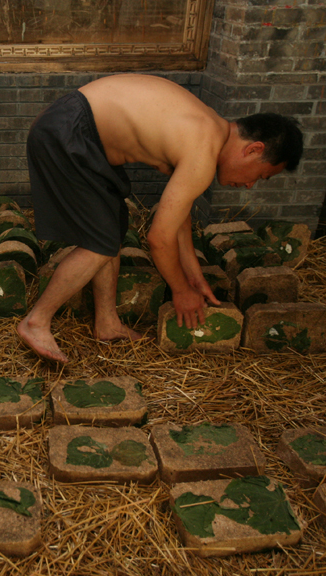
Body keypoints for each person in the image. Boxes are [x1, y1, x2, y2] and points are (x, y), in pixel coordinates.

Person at [17, 73, 303, 363]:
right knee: (100, 241)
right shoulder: (203, 150)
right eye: (262, 175)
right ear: (253, 149)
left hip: (78, 131)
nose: (251, 185)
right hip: (69, 131)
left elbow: (179, 217)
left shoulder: (210, 130)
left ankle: (107, 323)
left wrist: (192, 274)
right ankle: (35, 322)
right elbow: (158, 239)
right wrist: (181, 291)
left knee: (111, 228)